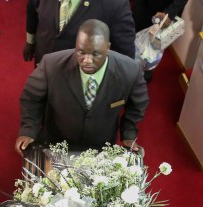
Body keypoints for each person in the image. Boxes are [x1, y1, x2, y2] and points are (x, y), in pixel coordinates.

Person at [17, 20, 149, 155]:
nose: (87, 60)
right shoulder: (50, 65)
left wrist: (128, 134)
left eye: (95, 54)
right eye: (81, 52)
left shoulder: (131, 70)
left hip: (101, 144)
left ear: (108, 48)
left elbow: (138, 105)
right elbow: (31, 97)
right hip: (57, 142)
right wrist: (28, 129)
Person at [24, 0, 135, 65]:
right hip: (43, 62)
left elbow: (125, 57)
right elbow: (32, 10)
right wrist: (30, 42)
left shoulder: (115, 4)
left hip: (78, 85)